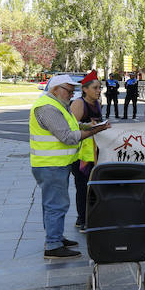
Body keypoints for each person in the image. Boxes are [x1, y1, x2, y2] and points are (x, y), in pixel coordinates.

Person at [30, 74, 110, 258]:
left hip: (55, 164)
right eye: (69, 90)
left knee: (51, 204)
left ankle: (55, 237)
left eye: (73, 90)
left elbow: (71, 127)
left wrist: (85, 126)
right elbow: (66, 136)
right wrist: (95, 130)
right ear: (56, 89)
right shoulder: (47, 107)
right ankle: (53, 245)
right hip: (50, 165)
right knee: (56, 205)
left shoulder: (57, 105)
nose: (71, 94)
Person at [68, 71, 102, 231]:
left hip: (94, 153)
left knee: (92, 185)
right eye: (95, 88)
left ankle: (86, 216)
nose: (98, 90)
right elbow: (71, 128)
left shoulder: (97, 103)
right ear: (85, 89)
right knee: (82, 187)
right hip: (81, 155)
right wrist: (87, 125)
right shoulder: (79, 104)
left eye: (99, 87)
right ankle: (83, 220)